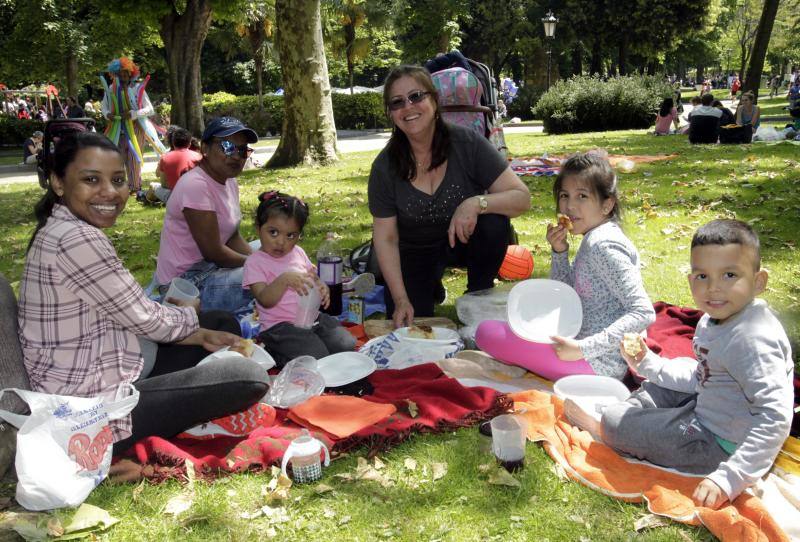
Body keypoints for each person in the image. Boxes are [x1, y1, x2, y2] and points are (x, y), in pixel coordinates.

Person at [17, 131, 270, 453]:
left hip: (114, 358)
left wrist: (198, 332)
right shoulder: (76, 239)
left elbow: (135, 314)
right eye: (91, 180)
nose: (109, 192)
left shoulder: (63, 226)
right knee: (245, 375)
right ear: (58, 182)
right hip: (91, 408)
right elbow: (149, 320)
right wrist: (189, 314)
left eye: (118, 180)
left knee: (220, 325)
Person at [587, 220, 793, 510]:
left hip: (718, 444)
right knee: (666, 377)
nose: (714, 289)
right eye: (702, 276)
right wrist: (649, 363)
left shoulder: (753, 341)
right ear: (690, 280)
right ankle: (648, 412)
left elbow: (775, 416)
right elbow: (702, 375)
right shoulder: (714, 319)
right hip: (710, 400)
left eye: (729, 275)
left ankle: (641, 418)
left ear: (758, 282)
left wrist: (729, 478)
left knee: (613, 424)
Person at [368, 65, 531, 328]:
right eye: (397, 103)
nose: (408, 107)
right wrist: (400, 299)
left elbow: (522, 197)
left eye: (416, 96)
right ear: (391, 114)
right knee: (412, 323)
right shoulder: (384, 167)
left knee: (493, 222)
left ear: (434, 99)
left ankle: (478, 295)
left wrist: (476, 203)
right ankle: (428, 286)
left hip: (463, 241)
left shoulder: (467, 143)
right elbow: (385, 239)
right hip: (413, 252)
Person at [476, 152, 655, 381]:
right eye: (564, 195)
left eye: (582, 196)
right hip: (577, 342)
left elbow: (643, 312)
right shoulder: (593, 237)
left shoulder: (604, 245)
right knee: (509, 325)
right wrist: (560, 251)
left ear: (607, 205)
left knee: (487, 332)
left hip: (597, 366)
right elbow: (566, 295)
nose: (569, 206)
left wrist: (582, 349)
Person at [154, 116, 258, 313]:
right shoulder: (196, 185)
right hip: (188, 283)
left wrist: (264, 259)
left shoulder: (229, 181)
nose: (236, 155)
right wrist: (261, 265)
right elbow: (214, 253)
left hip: (211, 269)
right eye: (227, 146)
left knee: (276, 250)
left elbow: (232, 237)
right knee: (269, 275)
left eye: (243, 150)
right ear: (205, 149)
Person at [243, 191, 356, 366]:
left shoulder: (298, 252)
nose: (281, 242)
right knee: (316, 356)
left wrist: (321, 287)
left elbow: (312, 277)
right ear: (258, 228)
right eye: (273, 232)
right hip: (279, 328)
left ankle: (308, 345)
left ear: (298, 235)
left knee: (346, 344)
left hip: (310, 317)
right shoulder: (255, 263)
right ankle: (274, 352)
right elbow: (264, 299)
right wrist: (284, 279)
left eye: (290, 236)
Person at [101, 57, 166, 192]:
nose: (123, 76)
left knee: (134, 158)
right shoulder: (111, 89)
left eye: (126, 73)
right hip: (117, 128)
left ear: (131, 74)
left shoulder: (137, 88)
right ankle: (119, 187)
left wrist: (133, 114)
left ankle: (135, 187)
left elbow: (149, 109)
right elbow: (104, 106)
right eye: (120, 74)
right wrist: (108, 115)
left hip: (136, 127)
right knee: (118, 158)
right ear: (115, 75)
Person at [148, 127, 201, 203]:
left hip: (175, 198)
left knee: (153, 186)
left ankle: (145, 198)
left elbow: (161, 179)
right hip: (198, 196)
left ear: (172, 143)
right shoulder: (199, 157)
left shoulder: (165, 157)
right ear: (189, 143)